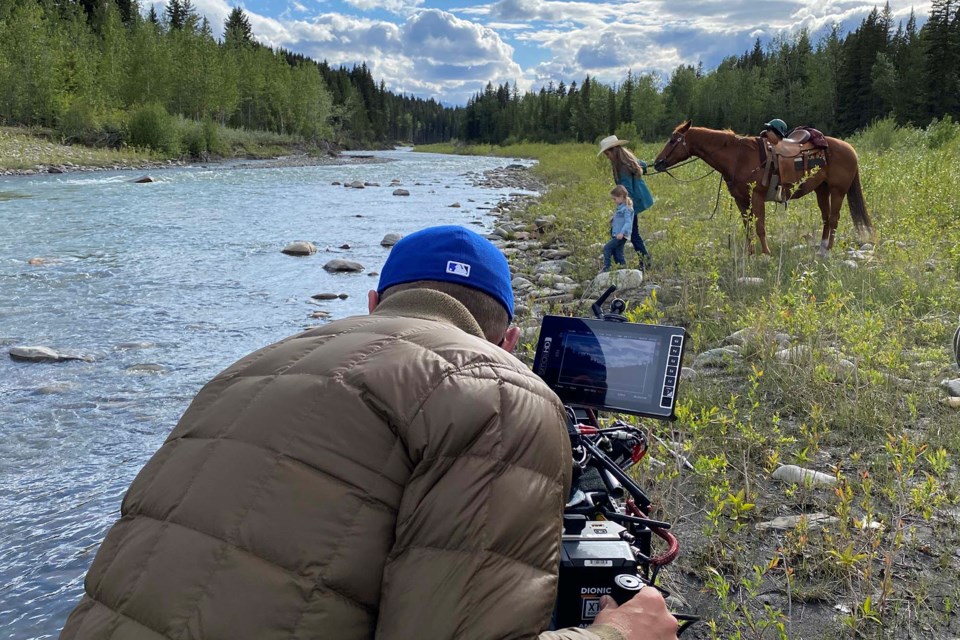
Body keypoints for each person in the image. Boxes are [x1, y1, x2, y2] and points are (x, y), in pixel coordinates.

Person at [59, 225, 679, 640]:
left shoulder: (248, 368)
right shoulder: (500, 391)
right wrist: (616, 633)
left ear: (375, 301)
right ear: (510, 343)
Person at [598, 135, 654, 270]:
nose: (607, 156)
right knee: (633, 233)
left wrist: (620, 211)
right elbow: (643, 164)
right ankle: (634, 262)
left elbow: (626, 191)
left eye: (607, 153)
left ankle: (629, 263)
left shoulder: (623, 167)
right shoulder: (628, 160)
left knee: (631, 234)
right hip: (635, 201)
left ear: (613, 151)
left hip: (631, 202)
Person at [603, 185, 634, 271]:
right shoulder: (620, 207)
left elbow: (628, 222)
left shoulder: (627, 209)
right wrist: (612, 219)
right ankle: (621, 268)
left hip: (621, 235)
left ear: (621, 197)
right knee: (618, 252)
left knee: (607, 248)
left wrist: (622, 232)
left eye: (615, 199)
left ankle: (607, 266)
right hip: (616, 233)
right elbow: (620, 218)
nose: (614, 201)